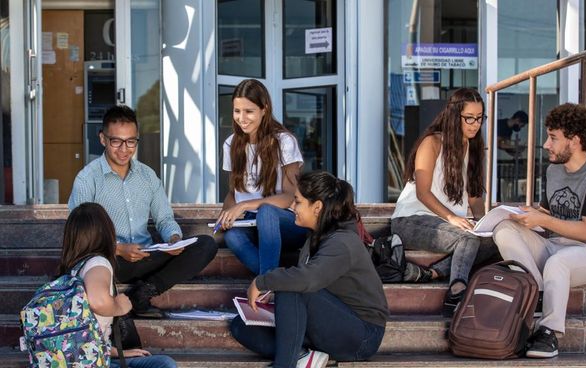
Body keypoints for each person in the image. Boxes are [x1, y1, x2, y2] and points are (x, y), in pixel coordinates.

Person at [68, 105, 218, 318]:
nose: (124, 149)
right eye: (116, 141)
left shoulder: (147, 176)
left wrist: (174, 238)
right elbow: (80, 236)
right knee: (97, 262)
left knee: (205, 245)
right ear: (103, 139)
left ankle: (143, 292)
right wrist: (119, 249)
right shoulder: (87, 179)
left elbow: (165, 218)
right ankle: (130, 298)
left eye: (131, 141)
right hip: (110, 261)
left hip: (146, 256)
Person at [492, 103, 586, 359]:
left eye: (553, 138)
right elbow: (550, 214)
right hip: (555, 246)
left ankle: (548, 333)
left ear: (575, 140)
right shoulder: (553, 170)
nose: (546, 145)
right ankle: (538, 291)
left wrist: (544, 220)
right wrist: (527, 215)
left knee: (558, 263)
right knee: (503, 229)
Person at [230, 171, 389, 367]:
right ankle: (303, 355)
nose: (292, 206)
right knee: (242, 327)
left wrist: (262, 281)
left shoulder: (343, 242)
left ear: (317, 207)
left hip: (362, 335)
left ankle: (285, 364)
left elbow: (307, 280)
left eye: (297, 202)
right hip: (329, 324)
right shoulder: (316, 236)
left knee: (293, 288)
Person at [390, 88, 495, 317]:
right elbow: (422, 193)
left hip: (447, 225)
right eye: (469, 118)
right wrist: (452, 217)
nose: (475, 124)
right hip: (411, 220)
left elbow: (475, 196)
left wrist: (484, 223)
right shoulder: (433, 142)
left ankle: (432, 273)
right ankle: (456, 294)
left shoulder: (474, 146)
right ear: (454, 115)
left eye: (480, 118)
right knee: (467, 239)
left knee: (496, 242)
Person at [58, 202, 176, 368]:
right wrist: (121, 306)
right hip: (90, 363)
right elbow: (98, 302)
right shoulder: (97, 263)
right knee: (164, 365)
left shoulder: (71, 270)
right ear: (105, 232)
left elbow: (80, 332)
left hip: (79, 356)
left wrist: (116, 352)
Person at [216, 79, 307, 275]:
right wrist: (225, 215)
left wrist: (244, 205)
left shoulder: (284, 141)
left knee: (267, 211)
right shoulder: (231, 144)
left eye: (249, 111)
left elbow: (290, 196)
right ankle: (272, 281)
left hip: (285, 222)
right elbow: (234, 193)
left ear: (264, 109)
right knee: (233, 237)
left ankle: (267, 284)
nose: (242, 118)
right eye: (237, 111)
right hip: (251, 222)